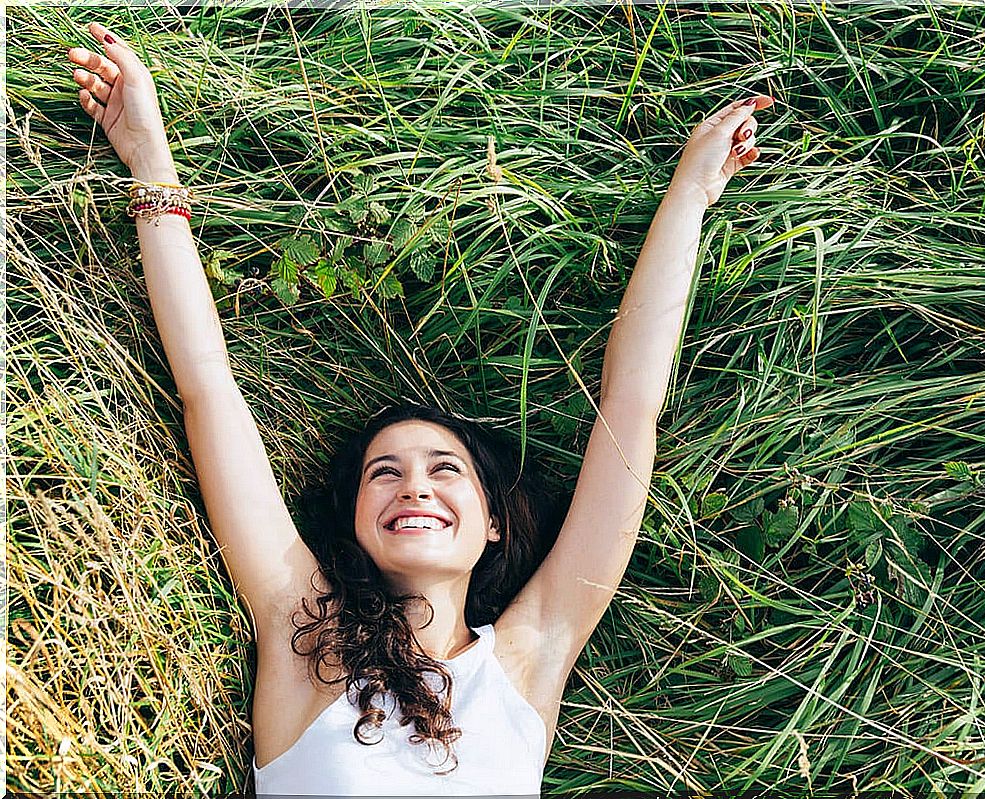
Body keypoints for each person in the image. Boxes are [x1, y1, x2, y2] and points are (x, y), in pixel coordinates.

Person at [67, 19, 768, 796]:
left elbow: (631, 406)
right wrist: (150, 164)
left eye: (445, 468)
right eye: (385, 472)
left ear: (494, 518)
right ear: (354, 518)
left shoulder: (531, 654)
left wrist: (693, 193)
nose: (416, 486)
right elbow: (208, 384)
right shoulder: (304, 634)